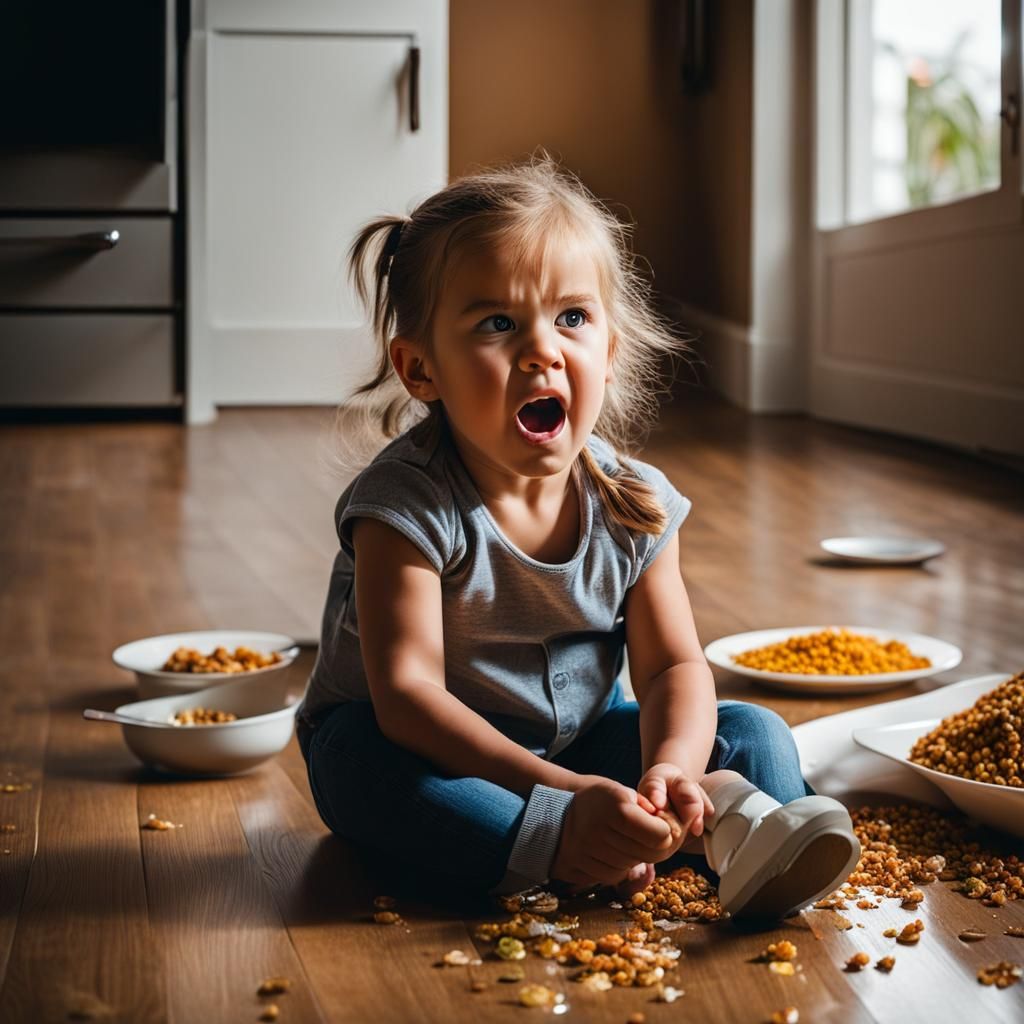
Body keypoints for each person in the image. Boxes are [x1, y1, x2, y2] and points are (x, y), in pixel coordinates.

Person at [296, 157, 860, 918]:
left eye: (572, 318)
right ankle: (569, 845)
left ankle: (730, 823)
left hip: (577, 745)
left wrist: (671, 769)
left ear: (610, 348)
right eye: (497, 323)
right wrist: (564, 800)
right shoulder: (406, 504)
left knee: (751, 729)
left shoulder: (633, 502)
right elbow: (409, 700)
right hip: (421, 751)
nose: (542, 350)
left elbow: (672, 669)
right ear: (420, 368)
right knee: (367, 767)